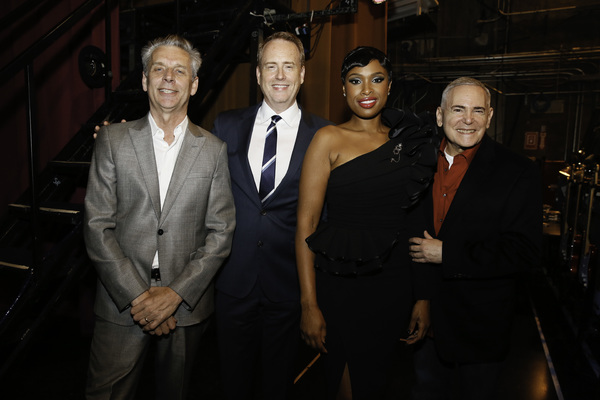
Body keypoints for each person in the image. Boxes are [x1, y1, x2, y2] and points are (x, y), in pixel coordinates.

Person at [83, 34, 236, 400]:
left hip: (185, 308)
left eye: (179, 71)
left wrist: (174, 295)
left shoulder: (214, 150)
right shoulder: (113, 140)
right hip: (121, 302)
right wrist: (141, 298)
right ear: (144, 80)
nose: (168, 77)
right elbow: (96, 224)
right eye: (159, 69)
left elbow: (221, 232)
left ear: (194, 84)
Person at [296, 46, 438, 399]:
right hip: (340, 284)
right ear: (343, 89)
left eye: (377, 79)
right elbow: (305, 226)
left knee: (378, 382)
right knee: (344, 384)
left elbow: (416, 226)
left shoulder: (409, 145)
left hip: (392, 286)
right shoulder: (327, 138)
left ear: (390, 86)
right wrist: (309, 304)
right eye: (355, 81)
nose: (367, 90)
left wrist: (422, 297)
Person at [212, 31, 330, 400]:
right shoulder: (225, 126)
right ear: (258, 75)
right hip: (233, 284)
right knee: (232, 383)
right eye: (271, 66)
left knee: (278, 385)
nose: (280, 75)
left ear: (303, 74)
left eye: (289, 66)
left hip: (289, 286)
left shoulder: (325, 135)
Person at [408, 77, 542, 400]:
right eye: (458, 109)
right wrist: (422, 297)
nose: (468, 119)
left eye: (477, 110)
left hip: (481, 330)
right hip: (425, 324)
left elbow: (525, 252)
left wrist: (446, 254)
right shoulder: (416, 163)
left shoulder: (518, 171)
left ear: (490, 117)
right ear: (440, 116)